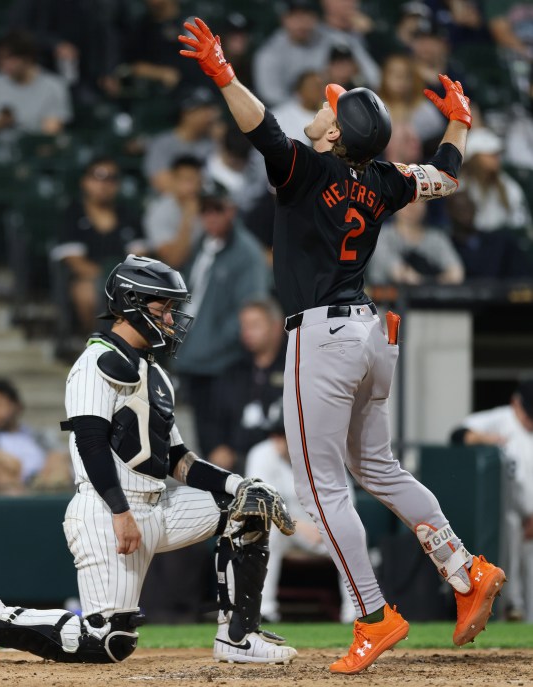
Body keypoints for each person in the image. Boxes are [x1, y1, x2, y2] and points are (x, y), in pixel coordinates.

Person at [179, 17, 505, 674]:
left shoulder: (305, 168)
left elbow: (259, 127)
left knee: (321, 485)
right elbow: (445, 174)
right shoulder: (383, 178)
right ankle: (464, 570)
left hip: (321, 335)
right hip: (369, 330)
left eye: (329, 109)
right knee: (379, 469)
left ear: (334, 134)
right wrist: (460, 121)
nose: (321, 109)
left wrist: (224, 74)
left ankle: (373, 613)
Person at [0, 255, 298, 665]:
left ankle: (238, 637)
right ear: (132, 303)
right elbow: (90, 443)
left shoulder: (154, 372)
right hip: (106, 511)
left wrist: (238, 485)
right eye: (162, 307)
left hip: (158, 506)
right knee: (108, 640)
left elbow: (180, 460)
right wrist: (119, 512)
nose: (170, 318)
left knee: (248, 508)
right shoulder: (94, 364)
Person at [174, 186, 269, 459]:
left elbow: (250, 311)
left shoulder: (246, 253)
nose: (211, 216)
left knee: (225, 446)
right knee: (205, 441)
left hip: (226, 364)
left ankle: (234, 499)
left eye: (217, 209)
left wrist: (208, 345)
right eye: (205, 210)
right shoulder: (202, 244)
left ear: (231, 210)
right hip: (195, 359)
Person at [245, 399, 356, 624]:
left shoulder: (324, 457)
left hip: (322, 532)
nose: (275, 440)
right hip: (285, 530)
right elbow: (261, 505)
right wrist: (298, 525)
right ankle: (265, 611)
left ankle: (356, 615)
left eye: (281, 434)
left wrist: (325, 527)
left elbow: (346, 504)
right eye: (273, 434)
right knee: (267, 533)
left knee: (351, 539)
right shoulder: (261, 454)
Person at [450, 379, 533, 623]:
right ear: (516, 403)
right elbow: (458, 435)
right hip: (511, 512)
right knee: (509, 550)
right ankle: (511, 608)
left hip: (529, 516)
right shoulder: (502, 419)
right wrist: (486, 440)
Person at [51, 156, 145, 334]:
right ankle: (97, 344)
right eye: (98, 177)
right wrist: (107, 281)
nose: (104, 184)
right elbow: (75, 262)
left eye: (111, 178)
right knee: (87, 292)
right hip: (91, 280)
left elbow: (140, 258)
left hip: (126, 282)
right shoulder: (73, 213)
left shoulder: (128, 214)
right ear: (85, 181)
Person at [208, 298, 286, 473]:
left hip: (284, 459)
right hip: (237, 460)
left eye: (255, 325)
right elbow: (214, 419)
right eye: (244, 325)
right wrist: (218, 446)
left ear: (276, 326)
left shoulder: (296, 368)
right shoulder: (232, 371)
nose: (247, 332)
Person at [0, 30, 72, 135]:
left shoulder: (54, 86)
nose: (3, 64)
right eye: (0, 58)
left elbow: (51, 133)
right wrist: (1, 122)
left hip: (35, 149)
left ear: (27, 58)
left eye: (9, 58)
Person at [143, 86, 220, 194]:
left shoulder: (212, 143)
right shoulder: (163, 144)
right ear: (187, 114)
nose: (210, 116)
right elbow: (163, 184)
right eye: (204, 110)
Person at [368, 200, 464, 285]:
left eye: (419, 200)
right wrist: (437, 280)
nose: (412, 206)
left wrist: (426, 281)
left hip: (430, 302)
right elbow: (401, 275)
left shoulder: (437, 238)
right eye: (407, 200)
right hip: (386, 302)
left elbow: (457, 274)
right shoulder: (381, 236)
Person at [461, 127, 532, 234]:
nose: (496, 158)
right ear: (475, 157)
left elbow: (520, 218)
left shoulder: (505, 181)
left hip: (506, 238)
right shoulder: (462, 186)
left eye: (497, 154)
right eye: (490, 154)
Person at [142, 154, 203, 269]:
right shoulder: (158, 212)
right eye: (188, 180)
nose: (194, 187)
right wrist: (188, 217)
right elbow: (174, 260)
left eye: (198, 181)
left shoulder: (209, 206)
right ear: (174, 180)